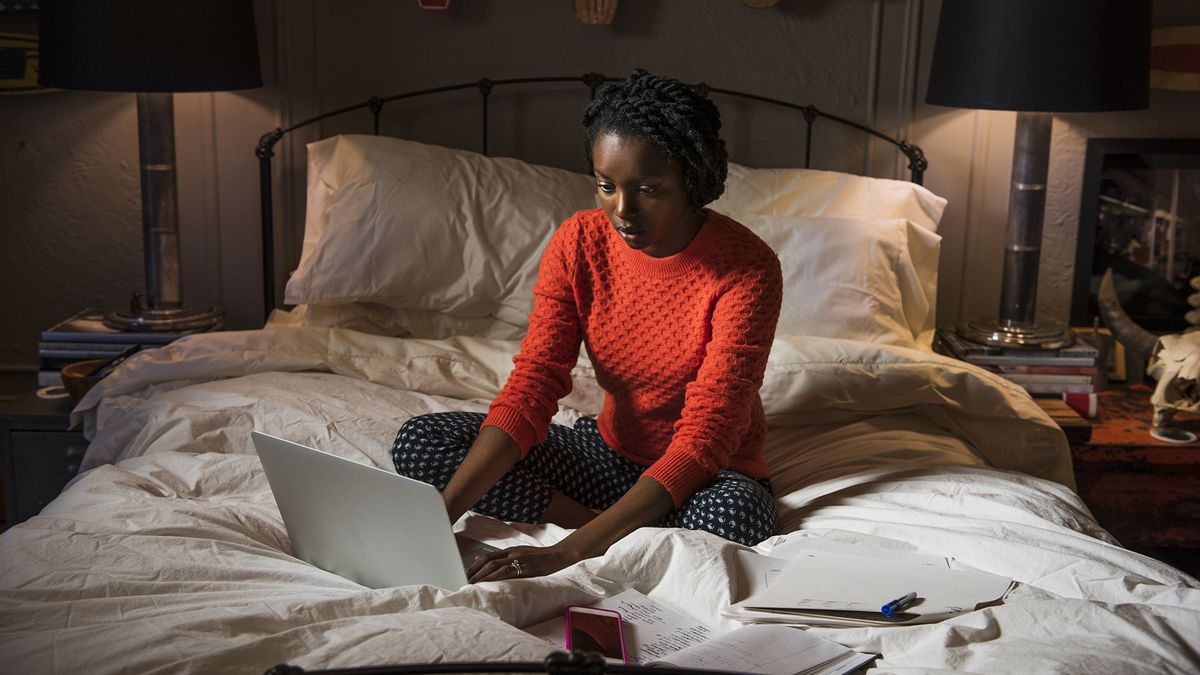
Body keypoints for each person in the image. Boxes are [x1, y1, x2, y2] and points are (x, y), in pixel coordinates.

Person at [392, 69, 783, 582]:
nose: (623, 211)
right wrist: (437, 521)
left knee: (737, 518)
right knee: (420, 443)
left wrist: (565, 553)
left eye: (649, 189)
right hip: (607, 458)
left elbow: (704, 439)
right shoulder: (580, 241)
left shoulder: (747, 268)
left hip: (708, 475)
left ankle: (613, 536)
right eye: (606, 186)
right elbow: (534, 383)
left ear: (691, 177)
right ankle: (621, 533)